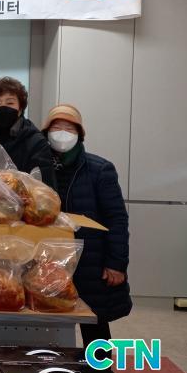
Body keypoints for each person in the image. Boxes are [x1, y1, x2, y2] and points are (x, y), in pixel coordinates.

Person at [43, 104, 132, 350]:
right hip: (48, 259)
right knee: (48, 322)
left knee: (94, 324)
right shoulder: (38, 168)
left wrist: (116, 263)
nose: (62, 133)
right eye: (56, 127)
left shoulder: (99, 169)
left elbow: (117, 219)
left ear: (80, 134)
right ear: (46, 133)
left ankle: (100, 371)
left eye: (69, 128)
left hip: (90, 262)